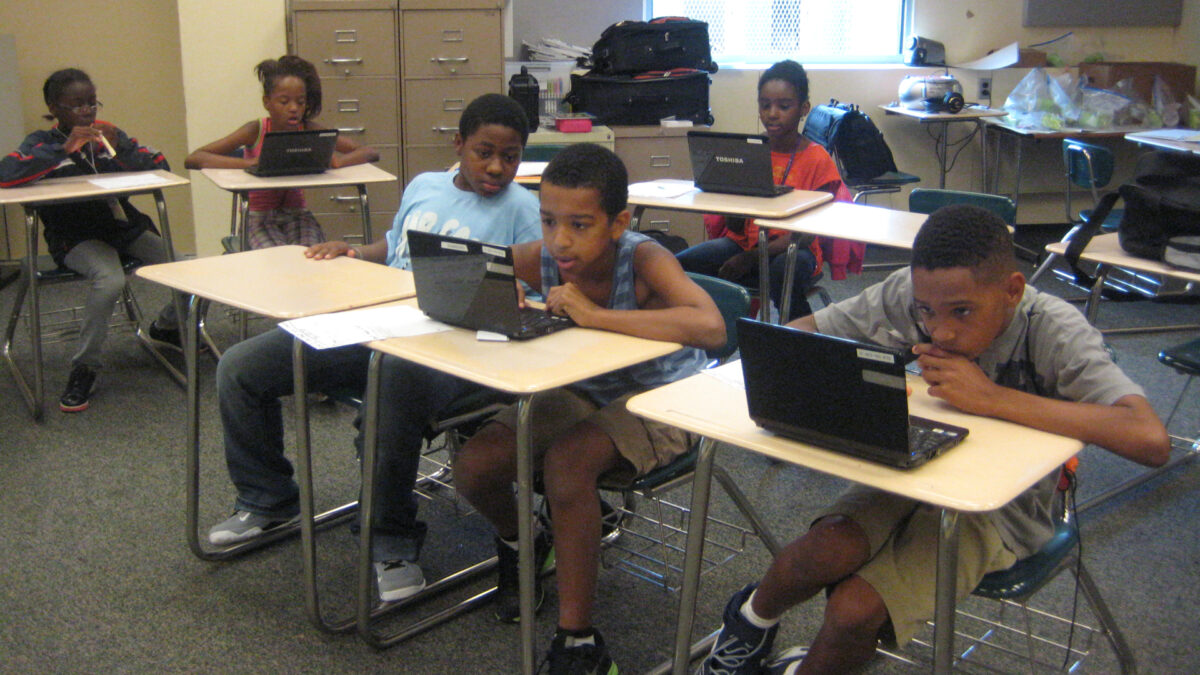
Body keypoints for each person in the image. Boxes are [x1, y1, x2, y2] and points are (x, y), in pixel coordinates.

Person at [698, 204, 1171, 675]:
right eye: (926, 312)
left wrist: (991, 398)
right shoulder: (915, 292)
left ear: (1012, 290)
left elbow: (1149, 439)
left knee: (853, 611)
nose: (940, 330)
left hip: (1004, 504)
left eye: (962, 312)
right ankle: (749, 625)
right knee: (819, 552)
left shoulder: (1053, 328)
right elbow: (802, 335)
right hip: (913, 463)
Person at [208, 93, 540, 603]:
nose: (497, 167)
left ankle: (391, 540)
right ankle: (267, 498)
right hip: (381, 322)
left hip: (454, 350)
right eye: (484, 152)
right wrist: (356, 252)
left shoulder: (523, 209)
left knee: (390, 384)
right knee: (240, 368)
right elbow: (396, 245)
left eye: (510, 157)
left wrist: (518, 290)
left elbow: (537, 288)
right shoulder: (425, 185)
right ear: (459, 145)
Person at [452, 143, 726, 674]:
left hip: (663, 397)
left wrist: (595, 315)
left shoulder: (644, 259)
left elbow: (711, 327)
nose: (560, 240)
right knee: (476, 466)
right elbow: (476, 267)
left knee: (568, 464)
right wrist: (500, 286)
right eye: (549, 221)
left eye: (580, 225)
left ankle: (579, 642)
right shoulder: (549, 256)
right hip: (588, 387)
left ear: (618, 222)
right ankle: (526, 542)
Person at [0, 68, 182, 413]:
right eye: (76, 105)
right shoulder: (42, 143)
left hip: (122, 229)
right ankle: (85, 366)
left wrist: (121, 145)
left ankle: (166, 327)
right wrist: (64, 149)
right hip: (74, 237)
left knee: (189, 270)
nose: (87, 112)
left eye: (92, 103)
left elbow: (161, 165)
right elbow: (6, 174)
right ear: (54, 108)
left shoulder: (109, 139)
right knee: (110, 279)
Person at [675, 60, 857, 322]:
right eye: (765, 105)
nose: (772, 113)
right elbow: (736, 226)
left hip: (795, 248)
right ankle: (715, 327)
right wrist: (726, 193)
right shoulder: (750, 151)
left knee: (782, 270)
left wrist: (750, 258)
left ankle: (798, 334)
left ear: (803, 108)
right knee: (679, 265)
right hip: (746, 243)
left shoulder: (817, 159)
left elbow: (807, 234)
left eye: (784, 106)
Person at [184, 55, 379, 250]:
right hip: (259, 218)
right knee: (277, 257)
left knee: (311, 254)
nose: (293, 109)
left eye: (300, 102)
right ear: (267, 102)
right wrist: (248, 163)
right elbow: (195, 158)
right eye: (284, 102)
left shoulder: (309, 130)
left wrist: (339, 162)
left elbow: (369, 152)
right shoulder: (256, 130)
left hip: (297, 215)